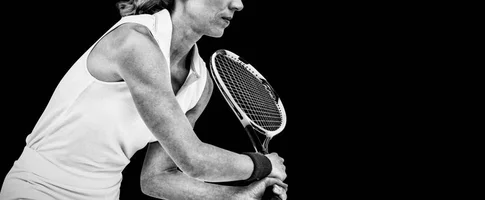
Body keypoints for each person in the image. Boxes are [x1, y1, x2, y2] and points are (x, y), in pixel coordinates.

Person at [0, 0, 288, 199]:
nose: (238, 4)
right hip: (36, 189)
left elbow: (156, 178)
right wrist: (263, 164)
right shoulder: (135, 42)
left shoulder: (200, 83)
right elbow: (194, 159)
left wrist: (241, 196)